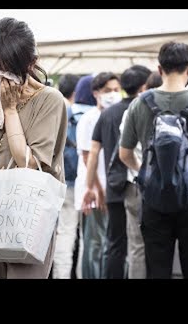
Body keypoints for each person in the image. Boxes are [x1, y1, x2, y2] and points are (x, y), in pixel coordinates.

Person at [0, 17, 67, 279]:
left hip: (31, 212)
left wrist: (9, 110)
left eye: (8, 69)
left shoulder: (49, 100)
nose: (0, 76)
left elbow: (27, 163)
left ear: (31, 63)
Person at [119, 42, 188, 279]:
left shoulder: (140, 103)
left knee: (157, 269)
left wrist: (144, 172)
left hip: (153, 199)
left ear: (159, 69)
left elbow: (125, 154)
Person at [83, 65, 149, 279]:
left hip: (114, 184)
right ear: (144, 86)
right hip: (139, 185)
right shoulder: (146, 109)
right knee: (140, 243)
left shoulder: (108, 113)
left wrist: (89, 186)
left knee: (115, 244)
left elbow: (93, 152)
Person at [77, 72, 121, 279]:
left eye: (115, 90)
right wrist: (98, 189)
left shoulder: (117, 115)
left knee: (109, 243)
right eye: (107, 91)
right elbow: (87, 158)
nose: (113, 94)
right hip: (94, 190)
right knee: (95, 243)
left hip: (112, 188)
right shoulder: (89, 119)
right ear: (96, 93)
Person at [118, 67, 154, 279]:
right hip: (172, 187)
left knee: (137, 245)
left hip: (136, 183)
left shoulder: (132, 110)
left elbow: (125, 153)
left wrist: (142, 170)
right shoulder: (181, 108)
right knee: (164, 244)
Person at [52, 73, 81, 279]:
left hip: (49, 180)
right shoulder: (74, 114)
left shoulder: (50, 106)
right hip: (70, 181)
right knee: (68, 233)